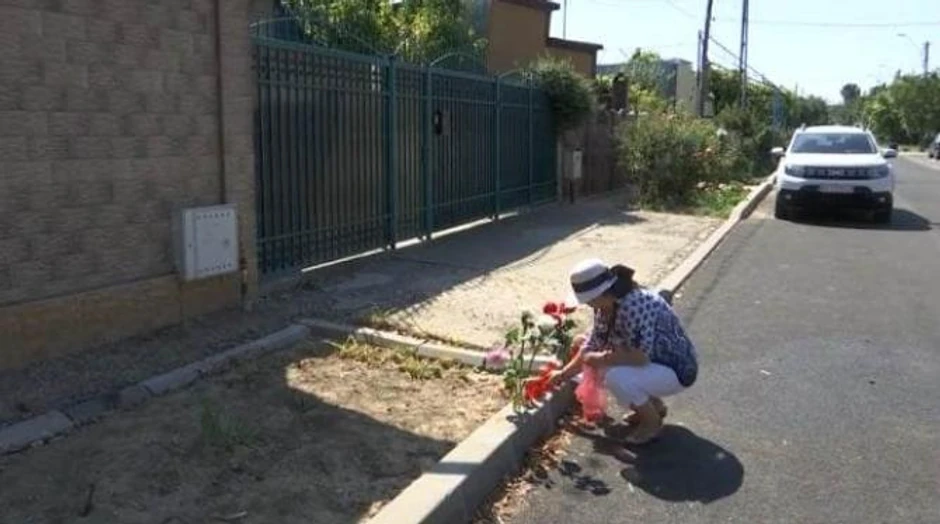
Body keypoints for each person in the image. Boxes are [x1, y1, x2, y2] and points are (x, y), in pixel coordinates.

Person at [546, 258, 699, 444]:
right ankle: (654, 406)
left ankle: (651, 422)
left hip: (677, 369)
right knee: (603, 363)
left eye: (588, 301)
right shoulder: (607, 305)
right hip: (657, 364)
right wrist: (563, 374)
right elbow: (591, 344)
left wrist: (600, 359)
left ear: (599, 294)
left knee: (616, 377)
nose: (588, 305)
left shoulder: (634, 305)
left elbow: (640, 357)